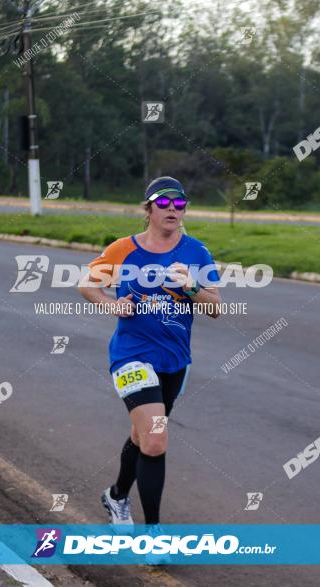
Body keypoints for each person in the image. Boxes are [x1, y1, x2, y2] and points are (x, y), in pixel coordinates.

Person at [78, 176, 221, 552]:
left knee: (143, 438)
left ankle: (116, 495)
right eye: (165, 202)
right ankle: (153, 535)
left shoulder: (196, 252)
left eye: (180, 203)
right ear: (148, 209)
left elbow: (216, 307)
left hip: (175, 360)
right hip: (131, 354)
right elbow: (87, 284)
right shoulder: (124, 250)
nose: (174, 209)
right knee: (156, 440)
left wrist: (191, 286)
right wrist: (112, 305)